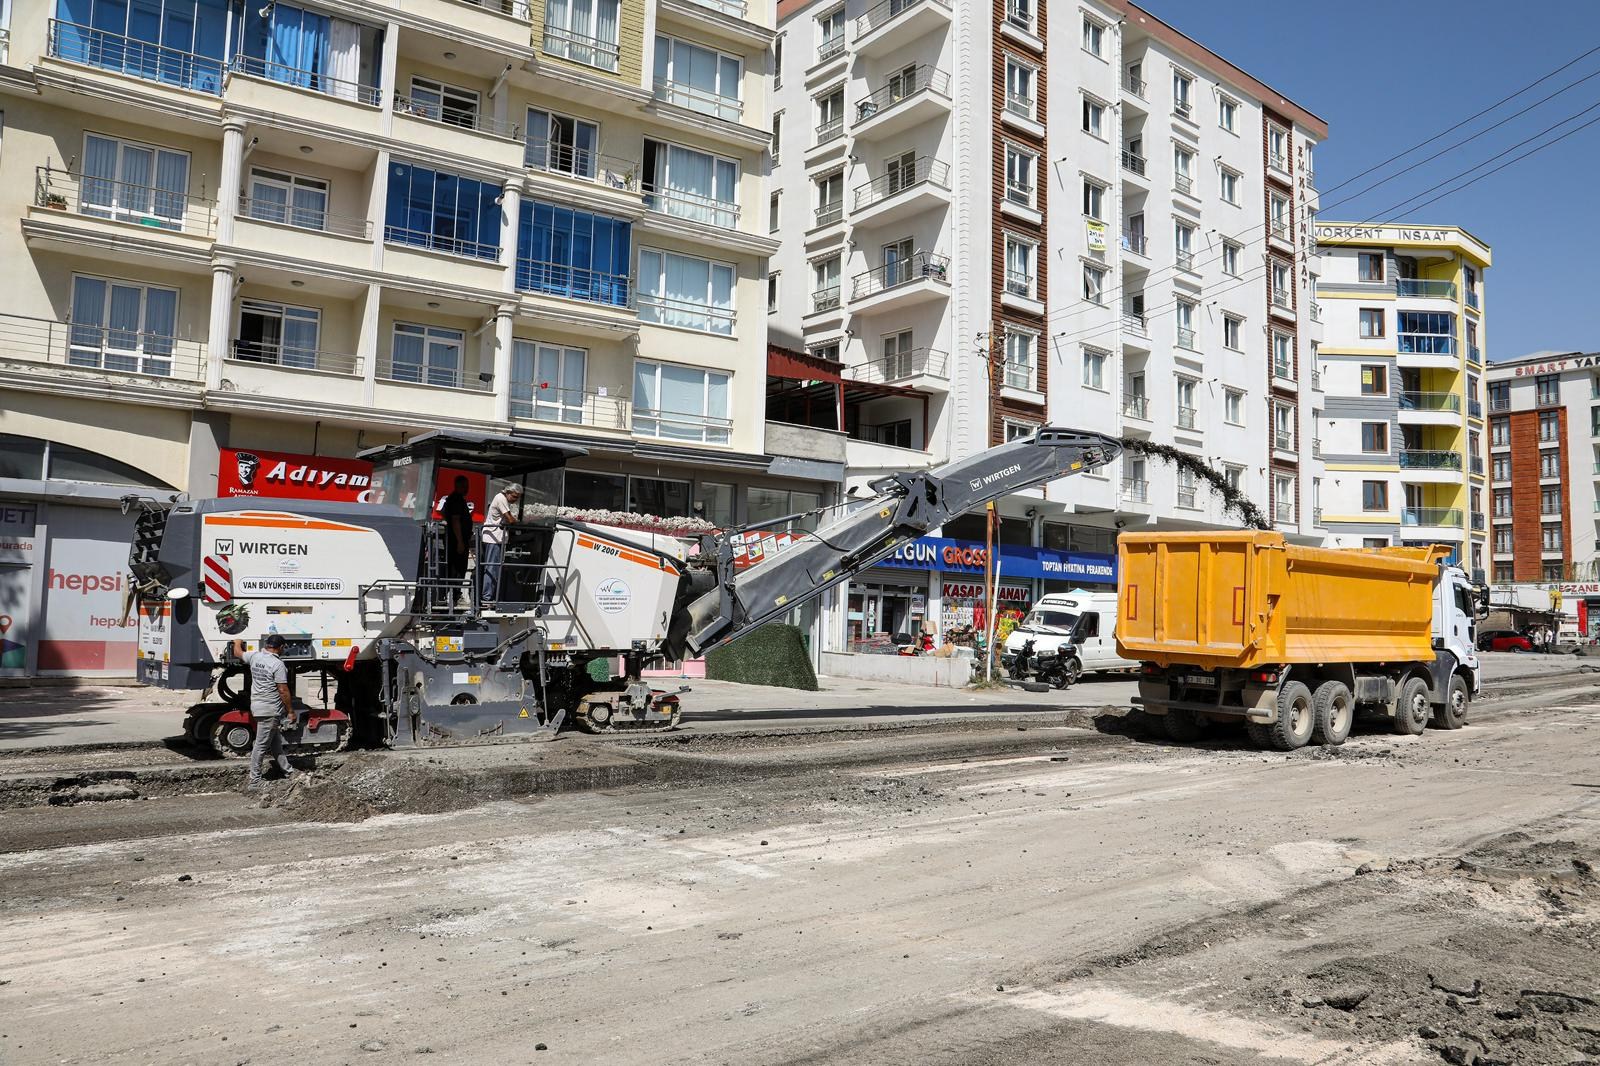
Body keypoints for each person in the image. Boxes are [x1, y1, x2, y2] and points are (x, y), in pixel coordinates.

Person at [233, 634, 296, 790]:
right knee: (260, 746)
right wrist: (290, 711)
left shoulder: (255, 656)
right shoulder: (277, 664)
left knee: (275, 743)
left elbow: (238, 653)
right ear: (281, 647)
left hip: (258, 707)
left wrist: (237, 641)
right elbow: (283, 690)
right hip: (270, 710)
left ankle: (288, 771)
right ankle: (254, 781)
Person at [479, 483, 522, 605]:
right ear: (508, 492)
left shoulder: (503, 499)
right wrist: (517, 522)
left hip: (497, 538)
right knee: (492, 568)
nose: (515, 500)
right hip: (494, 538)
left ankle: (490, 596)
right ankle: (487, 598)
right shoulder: (501, 498)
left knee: (494, 568)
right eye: (514, 497)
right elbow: (510, 519)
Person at [440, 475, 473, 587]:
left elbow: (443, 513)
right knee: (457, 567)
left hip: (457, 539)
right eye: (464, 486)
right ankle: (454, 591)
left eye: (467, 486)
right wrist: (460, 541)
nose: (466, 489)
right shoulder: (456, 499)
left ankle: (454, 590)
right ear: (458, 486)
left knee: (457, 567)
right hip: (456, 540)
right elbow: (455, 521)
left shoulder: (455, 499)